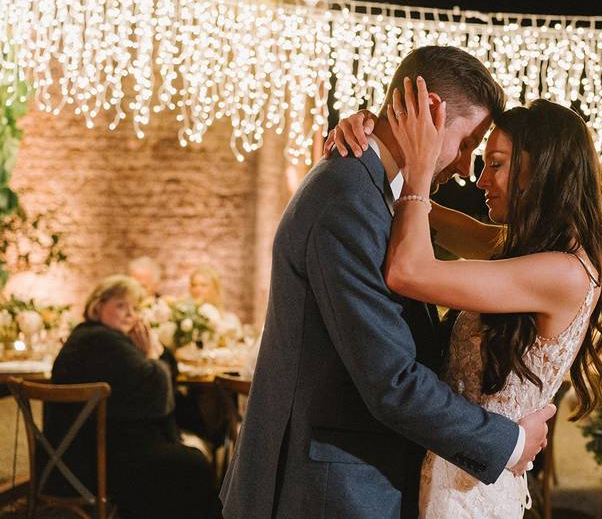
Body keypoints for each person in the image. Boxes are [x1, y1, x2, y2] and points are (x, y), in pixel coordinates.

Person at [220, 46, 556, 519]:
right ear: (428, 111)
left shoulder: (373, 194)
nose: (466, 168)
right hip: (329, 490)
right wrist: (508, 442)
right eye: (465, 145)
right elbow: (391, 380)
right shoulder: (348, 200)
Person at [331, 84, 602, 517]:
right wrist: (375, 141)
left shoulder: (562, 273)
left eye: (497, 165)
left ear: (543, 171)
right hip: (453, 465)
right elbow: (414, 209)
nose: (479, 178)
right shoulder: (520, 250)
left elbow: (407, 271)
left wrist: (420, 166)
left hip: (470, 491)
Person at [47, 275, 220, 519]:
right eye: (121, 305)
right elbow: (161, 399)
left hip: (83, 454)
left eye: (134, 308)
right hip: (92, 463)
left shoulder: (94, 337)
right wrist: (150, 352)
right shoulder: (102, 341)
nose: (130, 314)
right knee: (193, 463)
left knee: (187, 458)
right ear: (98, 306)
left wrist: (153, 355)